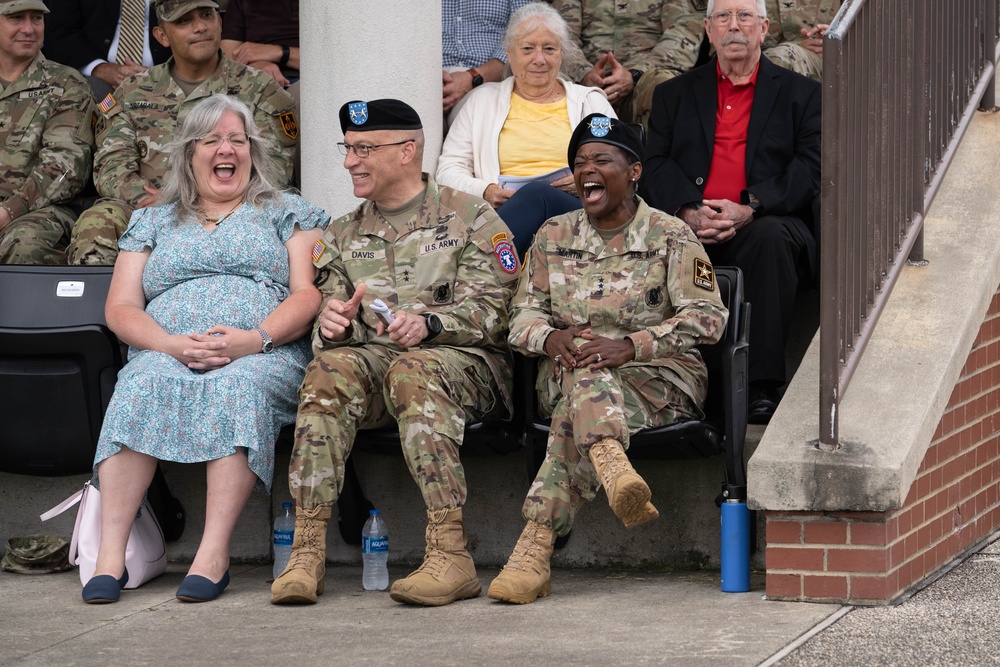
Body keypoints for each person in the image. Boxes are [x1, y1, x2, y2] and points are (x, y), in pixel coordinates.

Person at [270, 98, 519, 608]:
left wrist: (431, 323)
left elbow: (501, 311)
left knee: (413, 369)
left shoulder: (470, 215)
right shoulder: (341, 233)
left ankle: (451, 555)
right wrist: (332, 324)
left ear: (407, 151)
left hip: (466, 367)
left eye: (364, 149)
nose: (349, 161)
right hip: (381, 367)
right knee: (327, 370)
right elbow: (330, 315)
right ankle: (307, 550)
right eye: (347, 148)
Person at [80, 93, 328, 605]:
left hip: (262, 352)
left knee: (237, 386)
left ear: (253, 153)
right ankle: (110, 557)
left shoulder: (287, 212)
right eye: (212, 139)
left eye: (238, 140)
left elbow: (308, 293)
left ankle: (212, 557)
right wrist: (170, 344)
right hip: (165, 350)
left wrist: (252, 340)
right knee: (142, 384)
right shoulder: (153, 220)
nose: (227, 149)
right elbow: (121, 308)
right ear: (189, 154)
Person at [487, 114, 728, 604]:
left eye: (601, 159)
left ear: (634, 170)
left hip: (658, 379)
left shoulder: (671, 234)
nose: (586, 171)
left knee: (581, 392)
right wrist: (550, 338)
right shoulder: (553, 234)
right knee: (583, 377)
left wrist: (633, 345)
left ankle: (533, 551)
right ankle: (612, 464)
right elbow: (518, 317)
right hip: (570, 372)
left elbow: (709, 318)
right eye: (578, 163)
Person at [639, 0, 821, 424]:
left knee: (771, 239)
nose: (733, 26)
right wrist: (687, 209)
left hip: (764, 220)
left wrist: (751, 205)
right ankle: (677, 390)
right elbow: (654, 163)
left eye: (744, 17)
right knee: (657, 239)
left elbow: (810, 167)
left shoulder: (802, 94)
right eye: (723, 17)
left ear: (764, 29)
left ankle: (760, 387)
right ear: (707, 29)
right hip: (689, 224)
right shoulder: (674, 94)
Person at [66, 0, 298, 267]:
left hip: (233, 208)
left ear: (219, 22)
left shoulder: (261, 90)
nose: (200, 27)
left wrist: (206, 203)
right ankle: (104, 307)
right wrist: (145, 199)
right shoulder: (133, 91)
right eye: (183, 21)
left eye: (206, 15)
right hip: (146, 207)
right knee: (97, 223)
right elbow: (110, 165)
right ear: (161, 36)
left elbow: (274, 169)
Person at [436, 2, 615, 258]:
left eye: (549, 49)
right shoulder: (481, 101)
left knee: (539, 194)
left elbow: (622, 165)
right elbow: (448, 170)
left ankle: (480, 266)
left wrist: (584, 180)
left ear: (561, 54)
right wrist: (486, 190)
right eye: (528, 49)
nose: (539, 59)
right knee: (532, 200)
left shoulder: (590, 102)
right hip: (504, 213)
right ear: (509, 54)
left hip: (579, 214)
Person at [0, 0, 93, 264]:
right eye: (16, 18)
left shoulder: (66, 83)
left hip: (41, 210)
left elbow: (66, 166)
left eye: (37, 19)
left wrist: (8, 210)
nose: (29, 28)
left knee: (24, 243)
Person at [553, 0, 707, 127]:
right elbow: (561, 35)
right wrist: (584, 73)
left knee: (662, 84)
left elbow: (683, 33)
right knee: (549, 78)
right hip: (582, 85)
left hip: (643, 83)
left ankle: (658, 160)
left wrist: (635, 74)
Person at [42, 0, 172, 100]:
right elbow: (58, 34)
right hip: (96, 80)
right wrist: (101, 69)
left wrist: (163, 74)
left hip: (167, 76)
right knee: (93, 97)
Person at [441, 0, 532, 119]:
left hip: (486, 81)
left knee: (483, 111)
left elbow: (524, 34)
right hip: (427, 78)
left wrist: (473, 77)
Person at [220, 0, 299, 96]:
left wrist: (280, 53)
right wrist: (252, 67)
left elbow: (322, 61)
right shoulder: (242, 3)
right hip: (256, 80)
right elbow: (227, 59)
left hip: (309, 79)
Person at [762, 0, 840, 80]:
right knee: (782, 57)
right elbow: (752, 38)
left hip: (840, 61)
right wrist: (799, 47)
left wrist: (837, 36)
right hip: (780, 59)